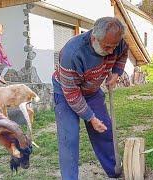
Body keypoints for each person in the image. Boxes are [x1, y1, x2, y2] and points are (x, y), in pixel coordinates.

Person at [52, 17, 128, 179]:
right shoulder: (72, 53)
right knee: (69, 139)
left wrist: (116, 72)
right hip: (66, 93)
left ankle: (114, 172)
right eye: (107, 47)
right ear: (94, 38)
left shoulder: (116, 43)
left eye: (113, 46)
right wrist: (90, 117)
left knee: (104, 130)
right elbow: (72, 94)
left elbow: (123, 53)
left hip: (91, 91)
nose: (110, 51)